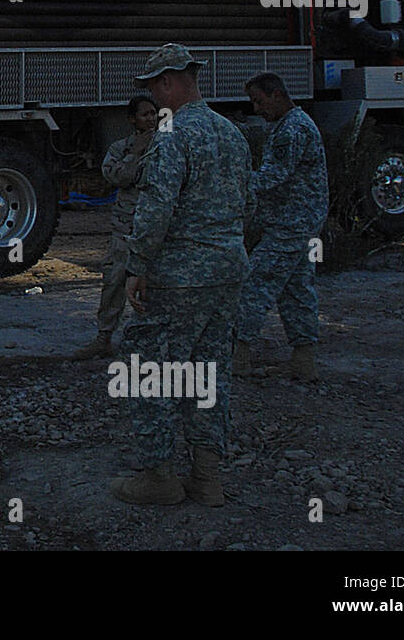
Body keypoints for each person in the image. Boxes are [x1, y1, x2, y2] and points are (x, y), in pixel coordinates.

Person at [110, 44, 252, 507]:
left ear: (169, 81)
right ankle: (207, 479)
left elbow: (155, 207)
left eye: (153, 86)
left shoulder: (173, 134)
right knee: (208, 372)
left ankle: (159, 478)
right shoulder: (232, 133)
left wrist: (137, 266)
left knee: (148, 370)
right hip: (227, 273)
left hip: (180, 276)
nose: (152, 97)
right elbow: (248, 205)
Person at [233, 72, 328, 382]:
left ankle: (237, 355)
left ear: (276, 94)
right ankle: (304, 361)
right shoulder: (291, 125)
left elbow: (272, 176)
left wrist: (233, 185)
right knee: (297, 288)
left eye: (259, 101)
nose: (257, 108)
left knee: (255, 283)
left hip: (291, 223)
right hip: (299, 221)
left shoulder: (293, 130)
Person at [75, 95, 158, 360]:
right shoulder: (121, 148)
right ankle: (104, 337)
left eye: (154, 113)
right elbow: (116, 177)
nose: (151, 119)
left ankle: (148, 342)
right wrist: (136, 153)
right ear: (132, 119)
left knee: (153, 286)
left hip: (155, 229)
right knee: (113, 282)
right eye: (145, 114)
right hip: (126, 228)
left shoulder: (166, 146)